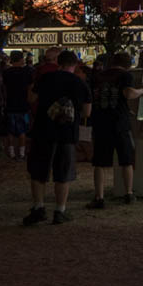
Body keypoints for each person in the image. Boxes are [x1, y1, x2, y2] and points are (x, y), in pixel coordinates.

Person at [23, 50, 91, 225]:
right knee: (63, 172)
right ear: (74, 65)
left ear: (58, 63)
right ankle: (60, 210)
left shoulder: (45, 78)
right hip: (67, 133)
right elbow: (87, 112)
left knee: (38, 171)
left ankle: (38, 207)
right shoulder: (80, 83)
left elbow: (31, 98)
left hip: (43, 130)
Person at [87, 52, 143, 208]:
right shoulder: (125, 75)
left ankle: (99, 197)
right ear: (128, 64)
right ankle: (128, 193)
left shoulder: (98, 76)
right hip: (119, 123)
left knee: (99, 162)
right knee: (126, 159)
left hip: (100, 122)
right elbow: (128, 93)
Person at [2, 50, 34, 161]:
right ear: (21, 59)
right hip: (23, 104)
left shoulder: (6, 73)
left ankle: (11, 152)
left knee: (10, 130)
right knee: (22, 130)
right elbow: (30, 88)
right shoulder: (27, 72)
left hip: (10, 103)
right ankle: (21, 152)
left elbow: (4, 89)